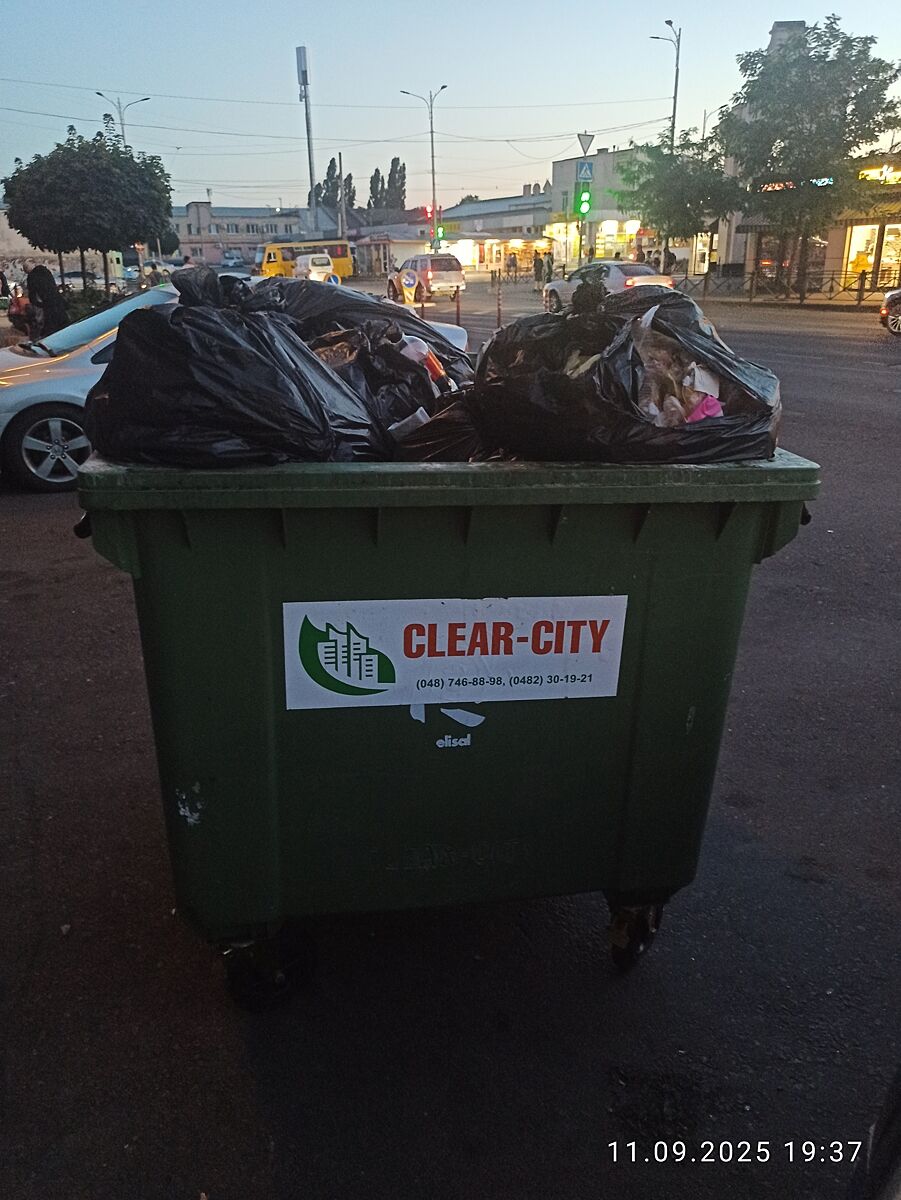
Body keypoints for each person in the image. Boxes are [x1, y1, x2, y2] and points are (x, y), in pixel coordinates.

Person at [25, 260, 68, 336]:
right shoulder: (46, 272)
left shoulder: (31, 276)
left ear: (27, 269)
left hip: (47, 302)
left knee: (50, 322)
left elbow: (32, 293)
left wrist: (38, 303)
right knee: (62, 320)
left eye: (25, 270)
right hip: (57, 299)